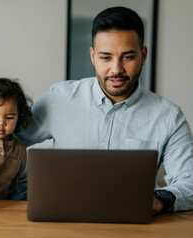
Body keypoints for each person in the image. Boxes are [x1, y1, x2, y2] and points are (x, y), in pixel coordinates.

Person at [14, 6, 193, 214]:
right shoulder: (60, 98)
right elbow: (5, 136)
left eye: (127, 57)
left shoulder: (169, 117)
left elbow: (189, 183)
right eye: (105, 57)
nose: (116, 69)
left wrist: (158, 200)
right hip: (64, 222)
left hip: (135, 228)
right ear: (92, 56)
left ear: (143, 55)